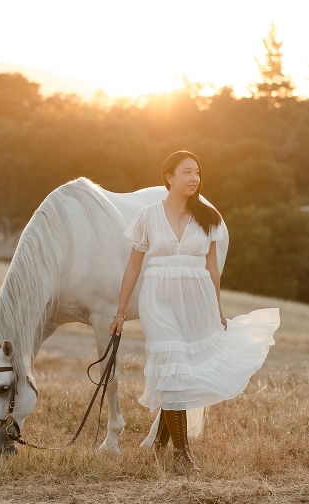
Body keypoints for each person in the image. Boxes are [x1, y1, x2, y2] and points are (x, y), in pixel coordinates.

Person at [109, 150, 280, 475]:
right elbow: (133, 267)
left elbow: (212, 269)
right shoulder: (147, 216)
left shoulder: (209, 217)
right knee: (173, 364)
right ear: (169, 177)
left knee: (180, 370)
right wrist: (119, 312)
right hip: (158, 297)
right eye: (187, 172)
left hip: (196, 298)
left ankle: (159, 446)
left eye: (197, 173)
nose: (194, 178)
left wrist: (217, 308)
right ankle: (182, 454)